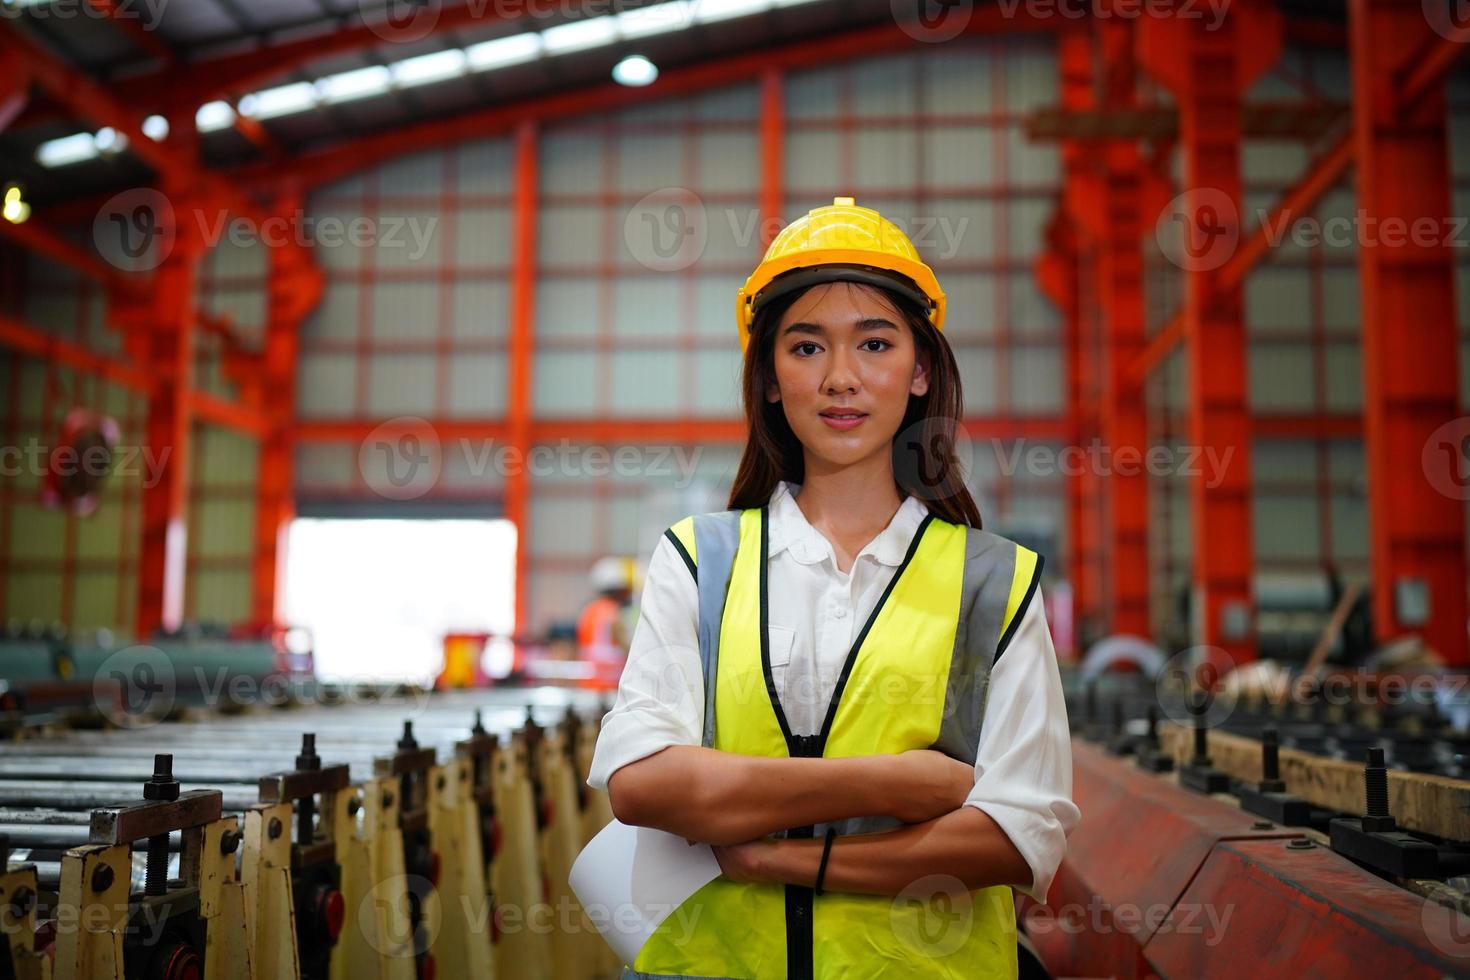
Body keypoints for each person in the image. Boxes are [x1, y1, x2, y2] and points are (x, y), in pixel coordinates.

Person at [587, 197, 1080, 979]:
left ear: (920, 371)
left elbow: (1016, 839)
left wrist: (779, 858)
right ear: (772, 379)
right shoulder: (701, 561)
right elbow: (644, 785)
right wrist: (897, 783)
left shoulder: (994, 584)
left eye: (875, 343)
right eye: (807, 347)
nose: (841, 378)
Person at [577, 555, 638, 690]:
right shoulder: (614, 613)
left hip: (590, 682)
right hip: (611, 683)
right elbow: (627, 648)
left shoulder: (588, 611)